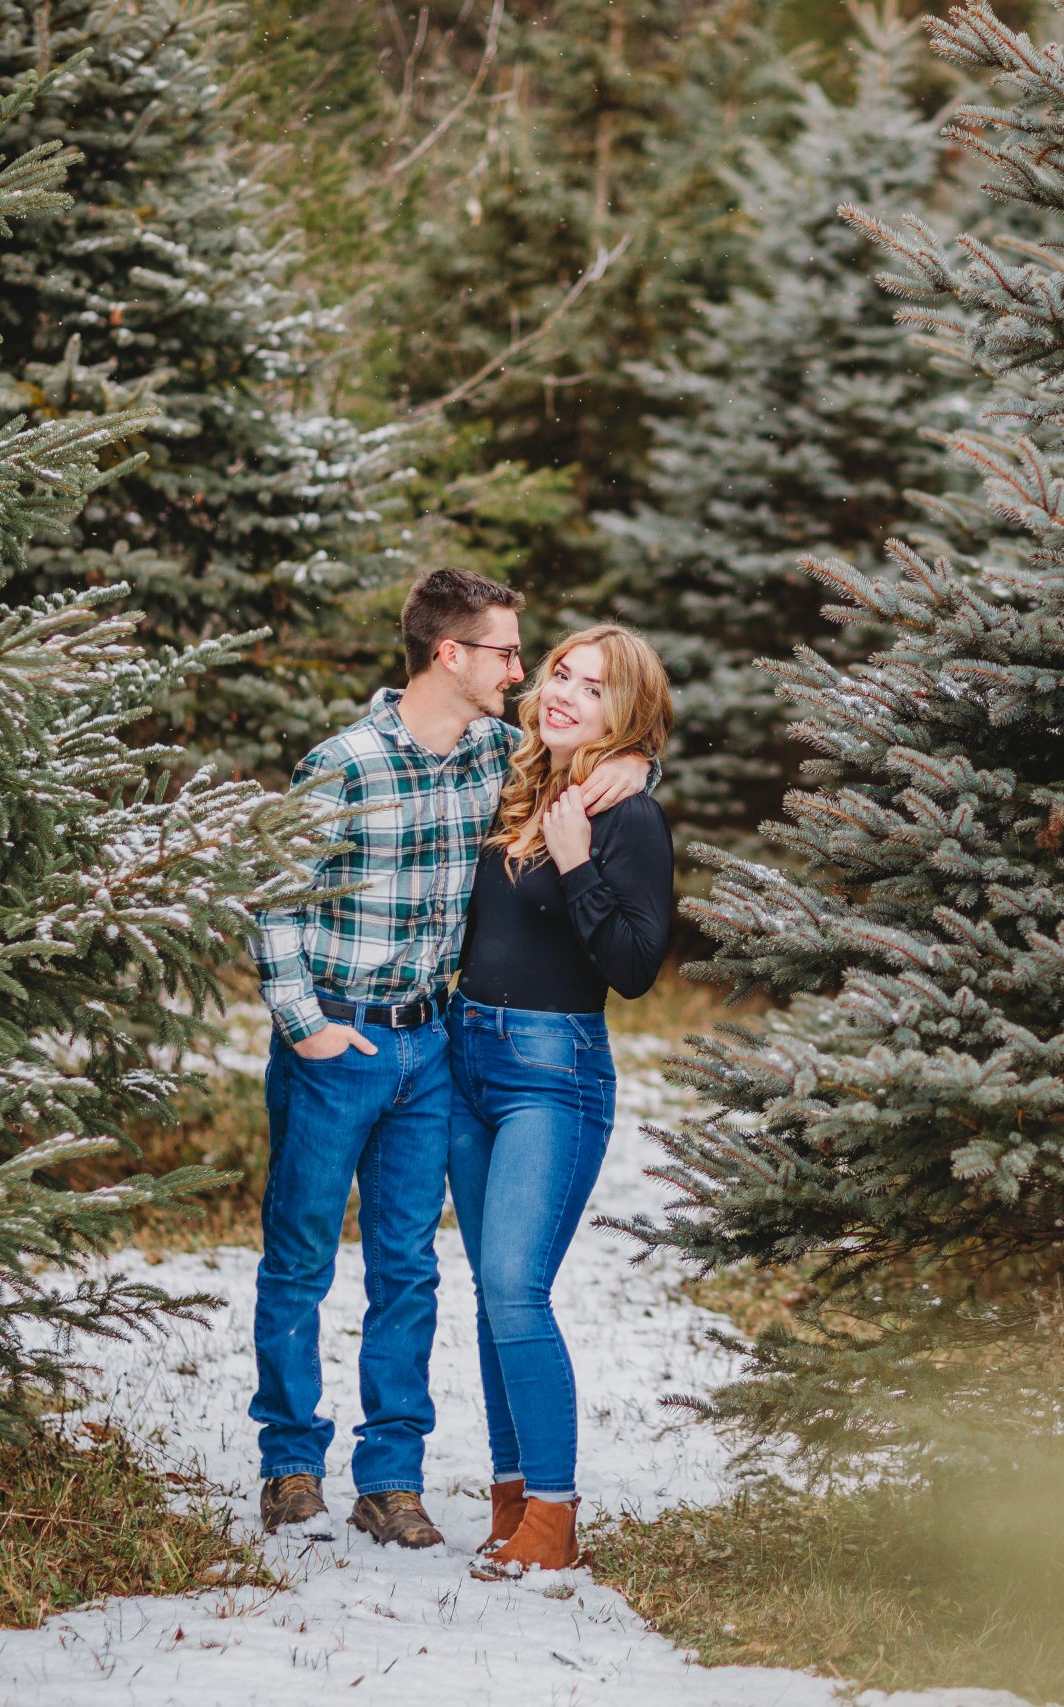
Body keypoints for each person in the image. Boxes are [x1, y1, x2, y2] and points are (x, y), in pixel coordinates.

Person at [246, 571, 652, 1549]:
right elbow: (272, 897)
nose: (522, 672)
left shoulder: (494, 757)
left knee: (408, 1268)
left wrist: (636, 768)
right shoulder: (341, 764)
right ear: (450, 655)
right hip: (337, 1038)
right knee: (299, 1257)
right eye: (509, 654)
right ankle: (290, 1465)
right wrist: (306, 1025)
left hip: (433, 1044)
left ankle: (391, 1478)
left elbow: (591, 759)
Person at [445, 624, 674, 1577]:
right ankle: (509, 1497)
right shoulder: (521, 776)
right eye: (560, 675)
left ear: (629, 711)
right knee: (489, 1293)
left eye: (594, 686)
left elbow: (633, 967)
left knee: (514, 1286)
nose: (566, 694)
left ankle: (554, 1512)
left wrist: (579, 858)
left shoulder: (626, 816)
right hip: (466, 1057)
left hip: (554, 1069)